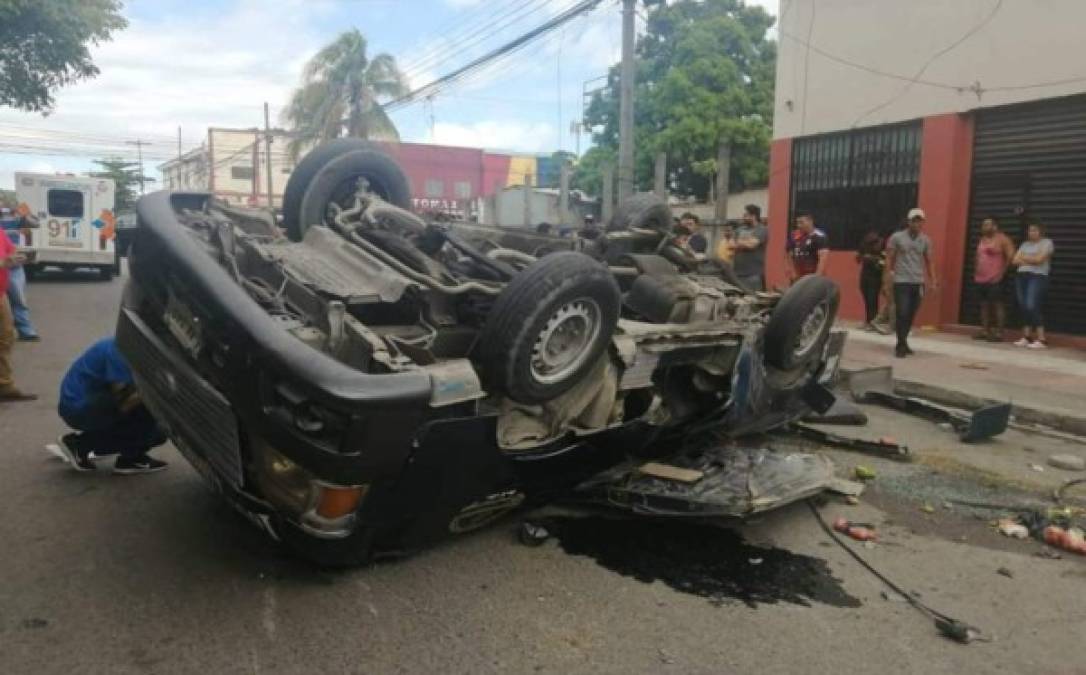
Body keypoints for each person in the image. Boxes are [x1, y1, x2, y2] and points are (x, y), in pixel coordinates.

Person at [54, 337, 168, 473]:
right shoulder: (120, 352)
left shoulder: (128, 344)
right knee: (147, 412)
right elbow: (125, 402)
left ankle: (130, 456)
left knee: (158, 433)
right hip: (79, 407)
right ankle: (80, 445)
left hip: (89, 401)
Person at [886, 208, 938, 358]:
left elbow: (929, 261)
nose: (917, 224)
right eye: (914, 220)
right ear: (908, 222)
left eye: (919, 221)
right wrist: (888, 278)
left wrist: (933, 280)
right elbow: (889, 258)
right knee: (902, 312)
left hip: (918, 281)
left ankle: (903, 342)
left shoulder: (925, 240)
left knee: (910, 314)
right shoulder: (897, 237)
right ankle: (900, 345)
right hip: (901, 281)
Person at [0, 231, 36, 402]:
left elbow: (10, 251)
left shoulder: (0, 233)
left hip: (1, 293)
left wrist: (18, 257)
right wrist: (3, 262)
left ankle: (4, 385)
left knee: (6, 337)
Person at [971, 216, 1015, 342]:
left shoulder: (1003, 239)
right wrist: (976, 271)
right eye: (983, 225)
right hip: (980, 279)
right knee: (983, 305)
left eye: (987, 225)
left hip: (995, 279)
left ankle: (999, 333)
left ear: (995, 226)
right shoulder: (982, 240)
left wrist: (1002, 273)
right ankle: (985, 331)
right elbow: (978, 256)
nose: (984, 227)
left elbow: (1011, 256)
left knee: (997, 305)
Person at [1011, 222, 1055, 349]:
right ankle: (1026, 336)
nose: (1032, 233)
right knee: (1023, 305)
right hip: (1021, 276)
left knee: (1032, 304)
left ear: (1041, 231)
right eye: (1030, 230)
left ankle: (1041, 339)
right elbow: (1014, 260)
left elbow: (1039, 260)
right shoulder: (1025, 244)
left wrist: (1024, 258)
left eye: (1035, 230)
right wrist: (1032, 258)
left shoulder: (1047, 243)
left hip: (1038, 277)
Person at [1, 207, 39, 341]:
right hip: (4, 264)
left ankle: (25, 330)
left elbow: (35, 224)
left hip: (13, 265)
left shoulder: (15, 218)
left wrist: (25, 214)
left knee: (18, 298)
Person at [733, 205, 768, 291]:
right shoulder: (739, 230)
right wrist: (745, 242)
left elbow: (752, 245)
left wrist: (739, 242)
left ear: (753, 216)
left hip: (753, 274)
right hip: (737, 274)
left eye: (746, 215)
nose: (743, 217)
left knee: (753, 300)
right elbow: (731, 244)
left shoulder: (762, 229)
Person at [786, 211, 828, 281]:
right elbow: (788, 254)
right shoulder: (794, 235)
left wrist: (816, 277)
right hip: (797, 276)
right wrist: (792, 272)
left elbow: (823, 259)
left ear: (810, 221)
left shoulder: (820, 236)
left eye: (801, 223)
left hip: (812, 276)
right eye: (797, 223)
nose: (799, 225)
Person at [856, 230, 886, 330]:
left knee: (873, 299)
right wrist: (862, 256)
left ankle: (873, 322)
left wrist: (874, 259)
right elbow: (858, 258)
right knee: (866, 298)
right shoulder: (864, 245)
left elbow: (885, 260)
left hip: (876, 276)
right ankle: (868, 320)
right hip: (865, 274)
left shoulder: (882, 244)